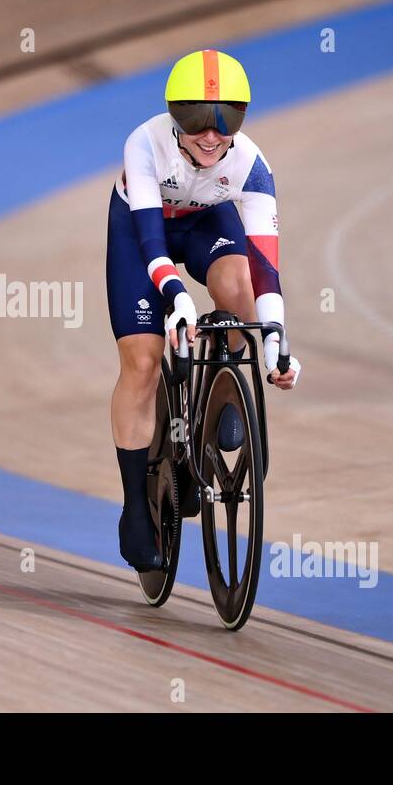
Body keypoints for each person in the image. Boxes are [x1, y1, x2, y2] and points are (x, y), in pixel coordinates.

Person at [107, 49, 301, 571]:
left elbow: (265, 268)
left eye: (226, 120)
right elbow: (151, 242)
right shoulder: (144, 145)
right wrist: (176, 298)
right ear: (175, 116)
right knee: (143, 362)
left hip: (206, 225)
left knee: (239, 284)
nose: (211, 135)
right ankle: (134, 508)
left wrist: (276, 341)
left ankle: (220, 397)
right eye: (196, 121)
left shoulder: (252, 166)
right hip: (142, 231)